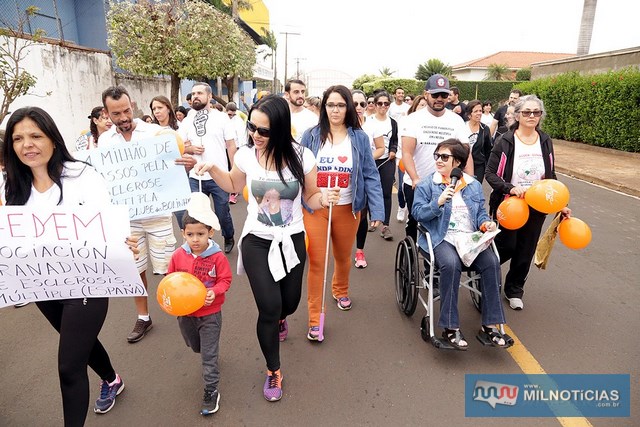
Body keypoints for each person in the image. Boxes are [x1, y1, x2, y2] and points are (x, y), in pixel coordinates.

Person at [194, 94, 337, 402]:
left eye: (263, 131)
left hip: (292, 237)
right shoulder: (246, 154)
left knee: (289, 303)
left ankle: (282, 318)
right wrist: (212, 169)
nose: (255, 136)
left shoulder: (303, 157)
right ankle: (274, 369)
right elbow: (233, 184)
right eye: (252, 128)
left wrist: (322, 199)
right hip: (257, 238)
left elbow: (311, 197)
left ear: (281, 130)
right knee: (269, 308)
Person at [1, 107, 136, 424]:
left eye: (35, 135)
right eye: (18, 138)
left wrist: (123, 240)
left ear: (52, 138)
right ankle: (112, 378)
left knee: (68, 364)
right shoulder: (11, 186)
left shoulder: (82, 176)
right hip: (42, 284)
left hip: (87, 280)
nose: (27, 144)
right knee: (80, 343)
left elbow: (109, 224)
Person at [99, 85, 185, 343]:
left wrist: (184, 160)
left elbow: (174, 163)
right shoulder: (104, 141)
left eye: (126, 110)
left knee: (171, 266)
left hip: (158, 214)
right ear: (107, 113)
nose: (124, 117)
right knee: (136, 269)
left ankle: (184, 308)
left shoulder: (156, 133)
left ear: (133, 104)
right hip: (127, 220)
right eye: (116, 114)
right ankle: (143, 317)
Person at [301, 85, 384, 340]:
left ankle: (340, 289)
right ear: (323, 107)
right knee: (316, 262)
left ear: (348, 107)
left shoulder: (359, 138)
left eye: (340, 105)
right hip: (316, 209)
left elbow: (370, 174)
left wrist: (377, 210)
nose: (335, 110)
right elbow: (299, 172)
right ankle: (315, 319)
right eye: (330, 105)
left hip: (349, 209)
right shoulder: (311, 136)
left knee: (342, 256)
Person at [412, 138, 509, 350]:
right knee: (450, 264)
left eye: (444, 157)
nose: (438, 160)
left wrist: (485, 224)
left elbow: (481, 213)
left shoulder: (472, 185)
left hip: (468, 238)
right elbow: (417, 213)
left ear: (457, 162)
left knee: (492, 262)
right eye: (437, 155)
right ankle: (450, 327)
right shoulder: (428, 184)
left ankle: (490, 326)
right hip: (441, 237)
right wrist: (437, 203)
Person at [485, 95, 571, 311]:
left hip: (538, 204)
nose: (532, 116)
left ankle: (514, 290)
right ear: (517, 115)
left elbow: (550, 175)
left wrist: (559, 204)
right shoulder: (505, 141)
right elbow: (490, 173)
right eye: (527, 112)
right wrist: (510, 188)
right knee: (508, 245)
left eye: (536, 112)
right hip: (510, 203)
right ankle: (483, 268)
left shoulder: (545, 140)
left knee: (526, 249)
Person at [167, 200, 231, 416]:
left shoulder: (217, 257)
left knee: (208, 357)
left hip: (210, 315)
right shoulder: (177, 256)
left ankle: (211, 390)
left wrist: (216, 291)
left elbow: (225, 280)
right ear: (183, 233)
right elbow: (171, 279)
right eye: (190, 234)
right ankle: (207, 353)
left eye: (201, 234)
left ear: (210, 232)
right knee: (196, 347)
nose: (196, 239)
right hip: (185, 315)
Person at [401, 74, 473, 242]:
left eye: (444, 95)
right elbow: (407, 153)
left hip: (447, 183)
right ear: (426, 94)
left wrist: (470, 179)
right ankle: (413, 248)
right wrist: (415, 178)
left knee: (444, 222)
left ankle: (433, 261)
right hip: (418, 184)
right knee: (415, 220)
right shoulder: (413, 120)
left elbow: (466, 154)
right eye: (435, 95)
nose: (440, 99)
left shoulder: (456, 121)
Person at [178, 82, 236, 254]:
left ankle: (229, 235)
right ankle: (203, 244)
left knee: (222, 213)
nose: (195, 96)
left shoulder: (222, 118)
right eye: (193, 93)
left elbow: (231, 145)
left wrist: (233, 172)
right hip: (195, 177)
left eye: (200, 93)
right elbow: (179, 146)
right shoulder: (187, 121)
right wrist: (190, 149)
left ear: (209, 96)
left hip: (219, 176)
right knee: (196, 214)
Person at [352, 89, 385, 268]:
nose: (358, 107)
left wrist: (366, 159)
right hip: (343, 180)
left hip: (364, 175)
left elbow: (381, 148)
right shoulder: (340, 126)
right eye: (354, 104)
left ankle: (359, 250)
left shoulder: (372, 126)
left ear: (367, 106)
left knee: (361, 214)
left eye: (362, 104)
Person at [362, 91, 398, 241]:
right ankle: (373, 219)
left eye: (386, 103)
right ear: (374, 105)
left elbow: (395, 140)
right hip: (370, 162)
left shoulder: (393, 122)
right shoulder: (368, 122)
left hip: (387, 162)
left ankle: (385, 225)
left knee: (386, 193)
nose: (383, 106)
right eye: (380, 103)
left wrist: (393, 150)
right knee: (370, 191)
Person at [395, 95, 428, 223]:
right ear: (415, 106)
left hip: (423, 167)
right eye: (421, 105)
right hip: (404, 160)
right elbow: (401, 142)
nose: (423, 108)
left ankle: (412, 213)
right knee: (402, 188)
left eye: (426, 105)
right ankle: (402, 206)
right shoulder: (406, 121)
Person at [225, 101, 248, 205]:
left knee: (233, 171)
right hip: (224, 149)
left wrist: (242, 150)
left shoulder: (238, 121)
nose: (231, 116)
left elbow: (242, 137)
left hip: (236, 148)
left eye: (233, 114)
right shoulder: (223, 120)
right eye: (229, 114)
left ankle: (233, 193)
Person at [465, 100, 493, 183]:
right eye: (476, 111)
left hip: (479, 166)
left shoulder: (485, 129)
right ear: (470, 114)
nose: (479, 113)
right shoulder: (462, 126)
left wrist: (488, 168)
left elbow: (488, 149)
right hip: (462, 165)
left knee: (475, 189)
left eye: (480, 111)